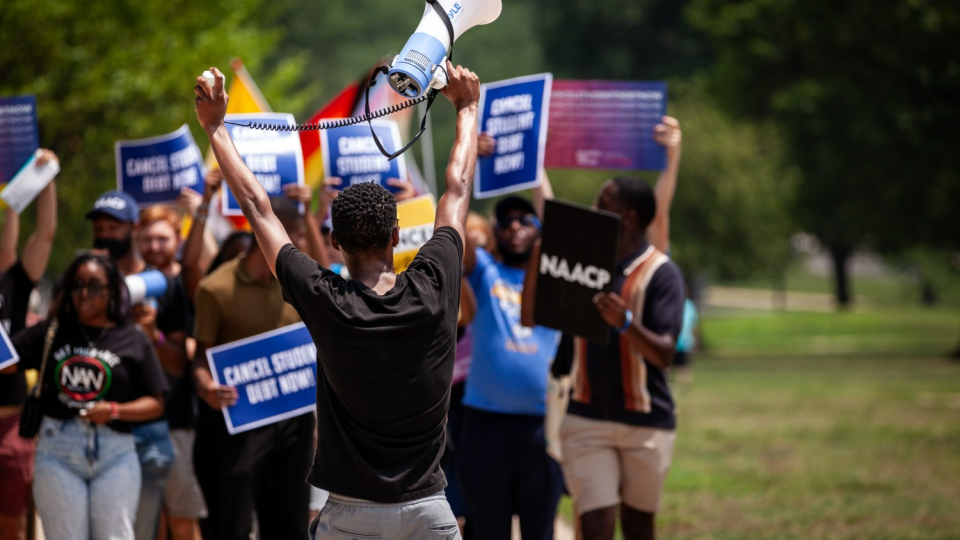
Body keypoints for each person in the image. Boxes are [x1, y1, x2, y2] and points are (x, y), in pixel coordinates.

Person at [193, 60, 478, 539]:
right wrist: (467, 109)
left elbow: (259, 208)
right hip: (429, 512)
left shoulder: (324, 298)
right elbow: (458, 188)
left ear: (336, 243)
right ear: (396, 236)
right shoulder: (435, 280)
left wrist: (216, 128)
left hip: (348, 519)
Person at [523, 174, 685, 540]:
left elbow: (663, 354)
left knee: (638, 526)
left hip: (646, 422)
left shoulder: (662, 274)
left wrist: (625, 322)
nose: (593, 211)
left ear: (627, 217)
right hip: (585, 419)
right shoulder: (581, 262)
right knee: (595, 525)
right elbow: (530, 316)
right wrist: (539, 254)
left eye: (602, 204)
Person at [2, 253, 168, 540]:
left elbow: (157, 403)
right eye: (76, 285)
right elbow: (6, 361)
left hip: (116, 452)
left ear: (113, 290)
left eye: (94, 286)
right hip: (57, 450)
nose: (83, 293)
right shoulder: (51, 331)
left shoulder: (133, 337)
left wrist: (114, 410)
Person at [456, 168, 563, 540]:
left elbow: (558, 225)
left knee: (540, 530)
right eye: (507, 222)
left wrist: (534, 167)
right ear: (496, 231)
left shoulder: (556, 281)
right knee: (488, 530)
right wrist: (471, 161)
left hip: (542, 425)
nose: (516, 227)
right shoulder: (485, 271)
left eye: (525, 220)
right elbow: (458, 225)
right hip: (486, 424)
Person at [86, 190, 183, 540]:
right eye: (100, 227)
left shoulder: (164, 287)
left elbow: (177, 366)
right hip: (92, 430)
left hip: (145, 431)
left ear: (133, 230)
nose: (105, 234)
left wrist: (152, 333)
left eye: (114, 226)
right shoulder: (83, 284)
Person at [138, 205, 208, 540]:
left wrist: (156, 337)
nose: (154, 246)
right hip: (134, 423)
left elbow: (181, 362)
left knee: (182, 519)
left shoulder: (186, 285)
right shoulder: (129, 285)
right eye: (147, 238)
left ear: (179, 239)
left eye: (162, 238)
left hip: (179, 421)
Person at [0, 150, 58, 540]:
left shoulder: (15, 284)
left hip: (10, 424)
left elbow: (46, 234)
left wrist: (46, 179)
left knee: (12, 524)